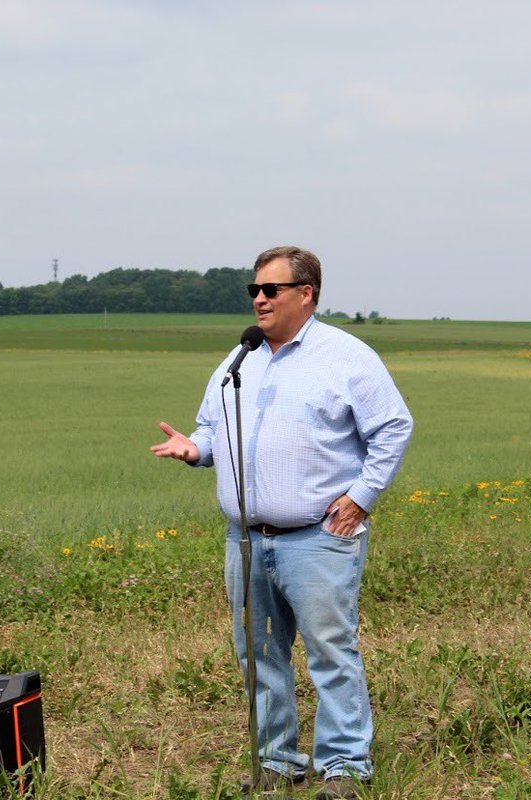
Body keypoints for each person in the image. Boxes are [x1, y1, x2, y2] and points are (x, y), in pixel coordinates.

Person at [151, 246, 413, 799]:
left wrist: (362, 496)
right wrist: (193, 449)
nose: (260, 299)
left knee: (330, 652)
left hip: (318, 539)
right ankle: (277, 761)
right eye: (255, 291)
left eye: (271, 290)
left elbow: (393, 427)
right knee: (259, 654)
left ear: (306, 294)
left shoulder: (346, 356)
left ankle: (344, 769)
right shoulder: (239, 358)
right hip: (245, 538)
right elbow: (211, 430)